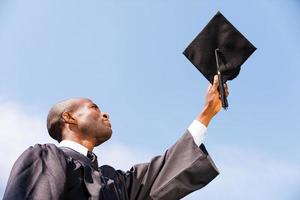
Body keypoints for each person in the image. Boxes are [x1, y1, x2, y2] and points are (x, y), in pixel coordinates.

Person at [3, 75, 228, 200]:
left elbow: (162, 172)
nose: (105, 113)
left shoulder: (114, 182)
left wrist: (206, 114)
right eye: (94, 107)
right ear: (69, 118)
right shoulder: (45, 157)